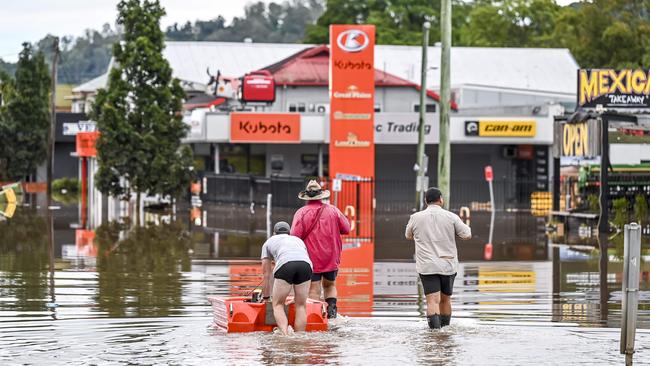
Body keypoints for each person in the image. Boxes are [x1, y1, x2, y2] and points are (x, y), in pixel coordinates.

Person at [405, 187, 471, 329]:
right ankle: (445, 331)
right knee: (445, 300)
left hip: (427, 266)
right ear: (441, 199)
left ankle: (435, 334)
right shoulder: (452, 217)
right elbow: (467, 234)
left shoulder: (415, 218)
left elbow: (408, 235)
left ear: (425, 201)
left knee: (432, 301)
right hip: (447, 264)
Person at [291, 180, 350, 319]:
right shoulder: (333, 210)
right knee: (330, 285)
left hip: (311, 258)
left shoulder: (301, 213)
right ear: (321, 195)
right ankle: (332, 313)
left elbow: (294, 237)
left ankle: (315, 317)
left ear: (306, 196)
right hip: (331, 256)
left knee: (314, 289)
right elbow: (346, 228)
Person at [261, 221, 313, 335]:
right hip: (306, 265)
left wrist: (265, 297)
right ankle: (300, 337)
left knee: (278, 304)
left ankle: (285, 336)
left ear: (274, 233)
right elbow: (301, 257)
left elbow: (266, 274)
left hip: (285, 264)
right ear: (289, 233)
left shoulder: (268, 242)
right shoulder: (298, 240)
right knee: (301, 305)